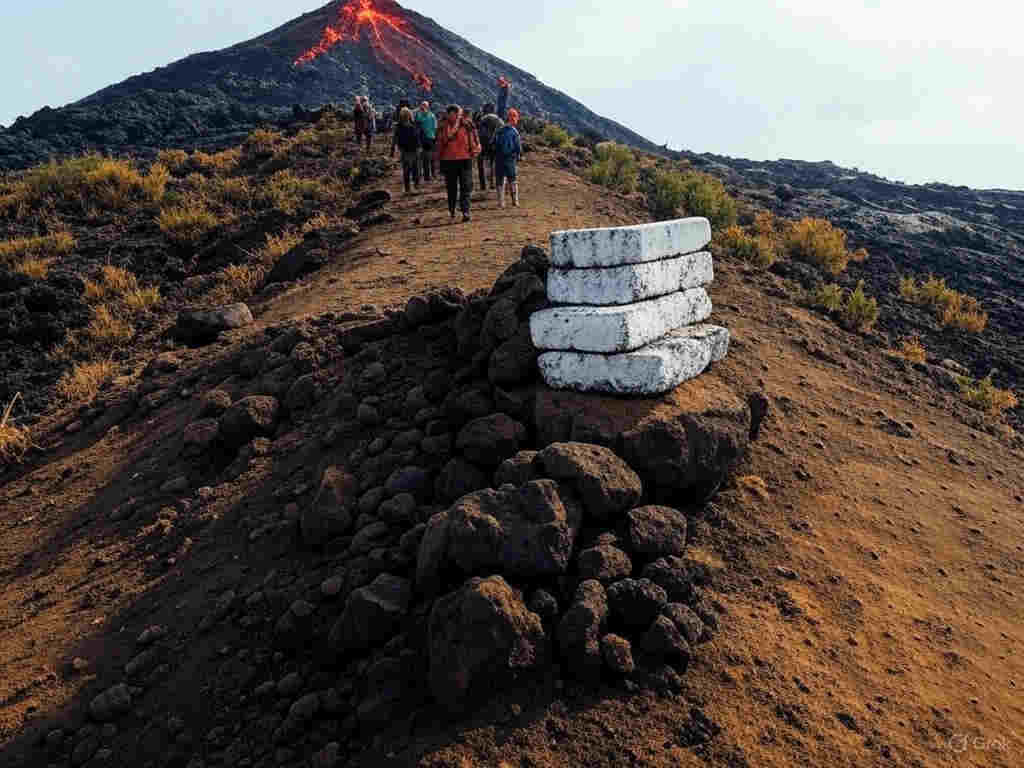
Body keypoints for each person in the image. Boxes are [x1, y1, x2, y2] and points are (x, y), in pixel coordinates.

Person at [436, 105, 481, 222]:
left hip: (462, 159)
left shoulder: (466, 125)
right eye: (450, 113)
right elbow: (439, 143)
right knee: (453, 187)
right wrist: (439, 158)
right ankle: (453, 211)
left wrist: (474, 151)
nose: (452, 116)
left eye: (453, 113)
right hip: (451, 160)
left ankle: (465, 211)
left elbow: (472, 140)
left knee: (464, 186)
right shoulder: (444, 126)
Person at [494, 108, 522, 208]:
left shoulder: (499, 130)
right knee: (512, 179)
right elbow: (518, 147)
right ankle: (515, 201)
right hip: (510, 159)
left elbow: (494, 143)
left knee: (500, 180)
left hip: (499, 158)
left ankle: (501, 203)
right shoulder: (515, 132)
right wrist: (519, 156)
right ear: (514, 119)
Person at [392, 107, 421, 194]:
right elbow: (417, 138)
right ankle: (415, 187)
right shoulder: (412, 125)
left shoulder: (398, 126)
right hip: (412, 149)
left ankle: (408, 188)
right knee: (414, 169)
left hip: (406, 150)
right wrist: (419, 148)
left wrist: (393, 150)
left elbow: (395, 139)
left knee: (407, 170)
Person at [474, 103, 504, 190]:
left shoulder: (482, 118)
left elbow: (477, 130)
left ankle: (483, 185)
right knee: (494, 164)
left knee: (481, 164)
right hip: (495, 145)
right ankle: (493, 184)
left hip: (483, 144)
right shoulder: (499, 120)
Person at [415, 101, 437, 181]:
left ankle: (429, 175)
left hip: (426, 138)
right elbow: (435, 127)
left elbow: (417, 122)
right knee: (429, 158)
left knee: (427, 158)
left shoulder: (421, 115)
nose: (423, 107)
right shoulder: (431, 115)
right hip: (428, 138)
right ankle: (430, 175)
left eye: (423, 106)